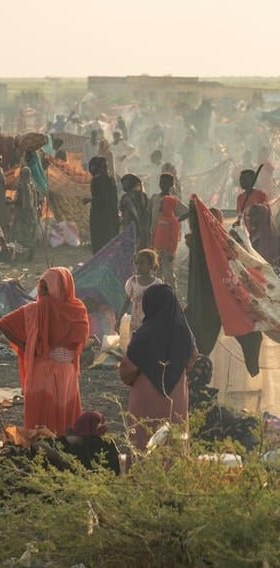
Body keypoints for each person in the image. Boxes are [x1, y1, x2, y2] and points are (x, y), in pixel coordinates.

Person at [0, 267, 88, 435]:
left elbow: (4, 324)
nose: (44, 293)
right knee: (64, 424)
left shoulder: (34, 309)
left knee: (39, 421)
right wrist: (27, 346)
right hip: (65, 370)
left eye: (46, 288)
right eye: (43, 288)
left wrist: (27, 346)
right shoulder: (78, 310)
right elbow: (80, 341)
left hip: (41, 370)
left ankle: (40, 455)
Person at [120, 284, 197, 450]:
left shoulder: (143, 335)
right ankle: (176, 476)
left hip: (145, 395)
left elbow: (127, 369)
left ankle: (142, 475)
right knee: (174, 445)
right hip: (176, 396)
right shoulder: (184, 334)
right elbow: (192, 358)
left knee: (143, 442)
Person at [149, 173, 184, 287]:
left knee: (168, 269)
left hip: (167, 246)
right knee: (156, 268)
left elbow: (174, 238)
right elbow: (149, 213)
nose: (162, 185)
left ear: (171, 185)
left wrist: (175, 220)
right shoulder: (155, 198)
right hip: (156, 243)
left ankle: (172, 291)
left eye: (165, 183)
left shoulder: (173, 201)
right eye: (161, 182)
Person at [119, 249, 163, 334]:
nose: (138, 266)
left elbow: (160, 305)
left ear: (151, 265)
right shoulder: (133, 282)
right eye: (137, 263)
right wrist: (119, 318)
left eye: (142, 263)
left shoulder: (157, 283)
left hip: (150, 322)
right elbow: (126, 301)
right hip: (135, 322)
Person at [86, 156, 120, 254]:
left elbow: (103, 199)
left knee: (100, 243)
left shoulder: (97, 180)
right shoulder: (110, 179)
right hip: (111, 216)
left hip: (100, 217)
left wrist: (91, 199)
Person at [120, 174, 151, 251]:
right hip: (143, 228)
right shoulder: (144, 196)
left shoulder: (126, 197)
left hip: (130, 226)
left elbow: (124, 210)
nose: (123, 187)